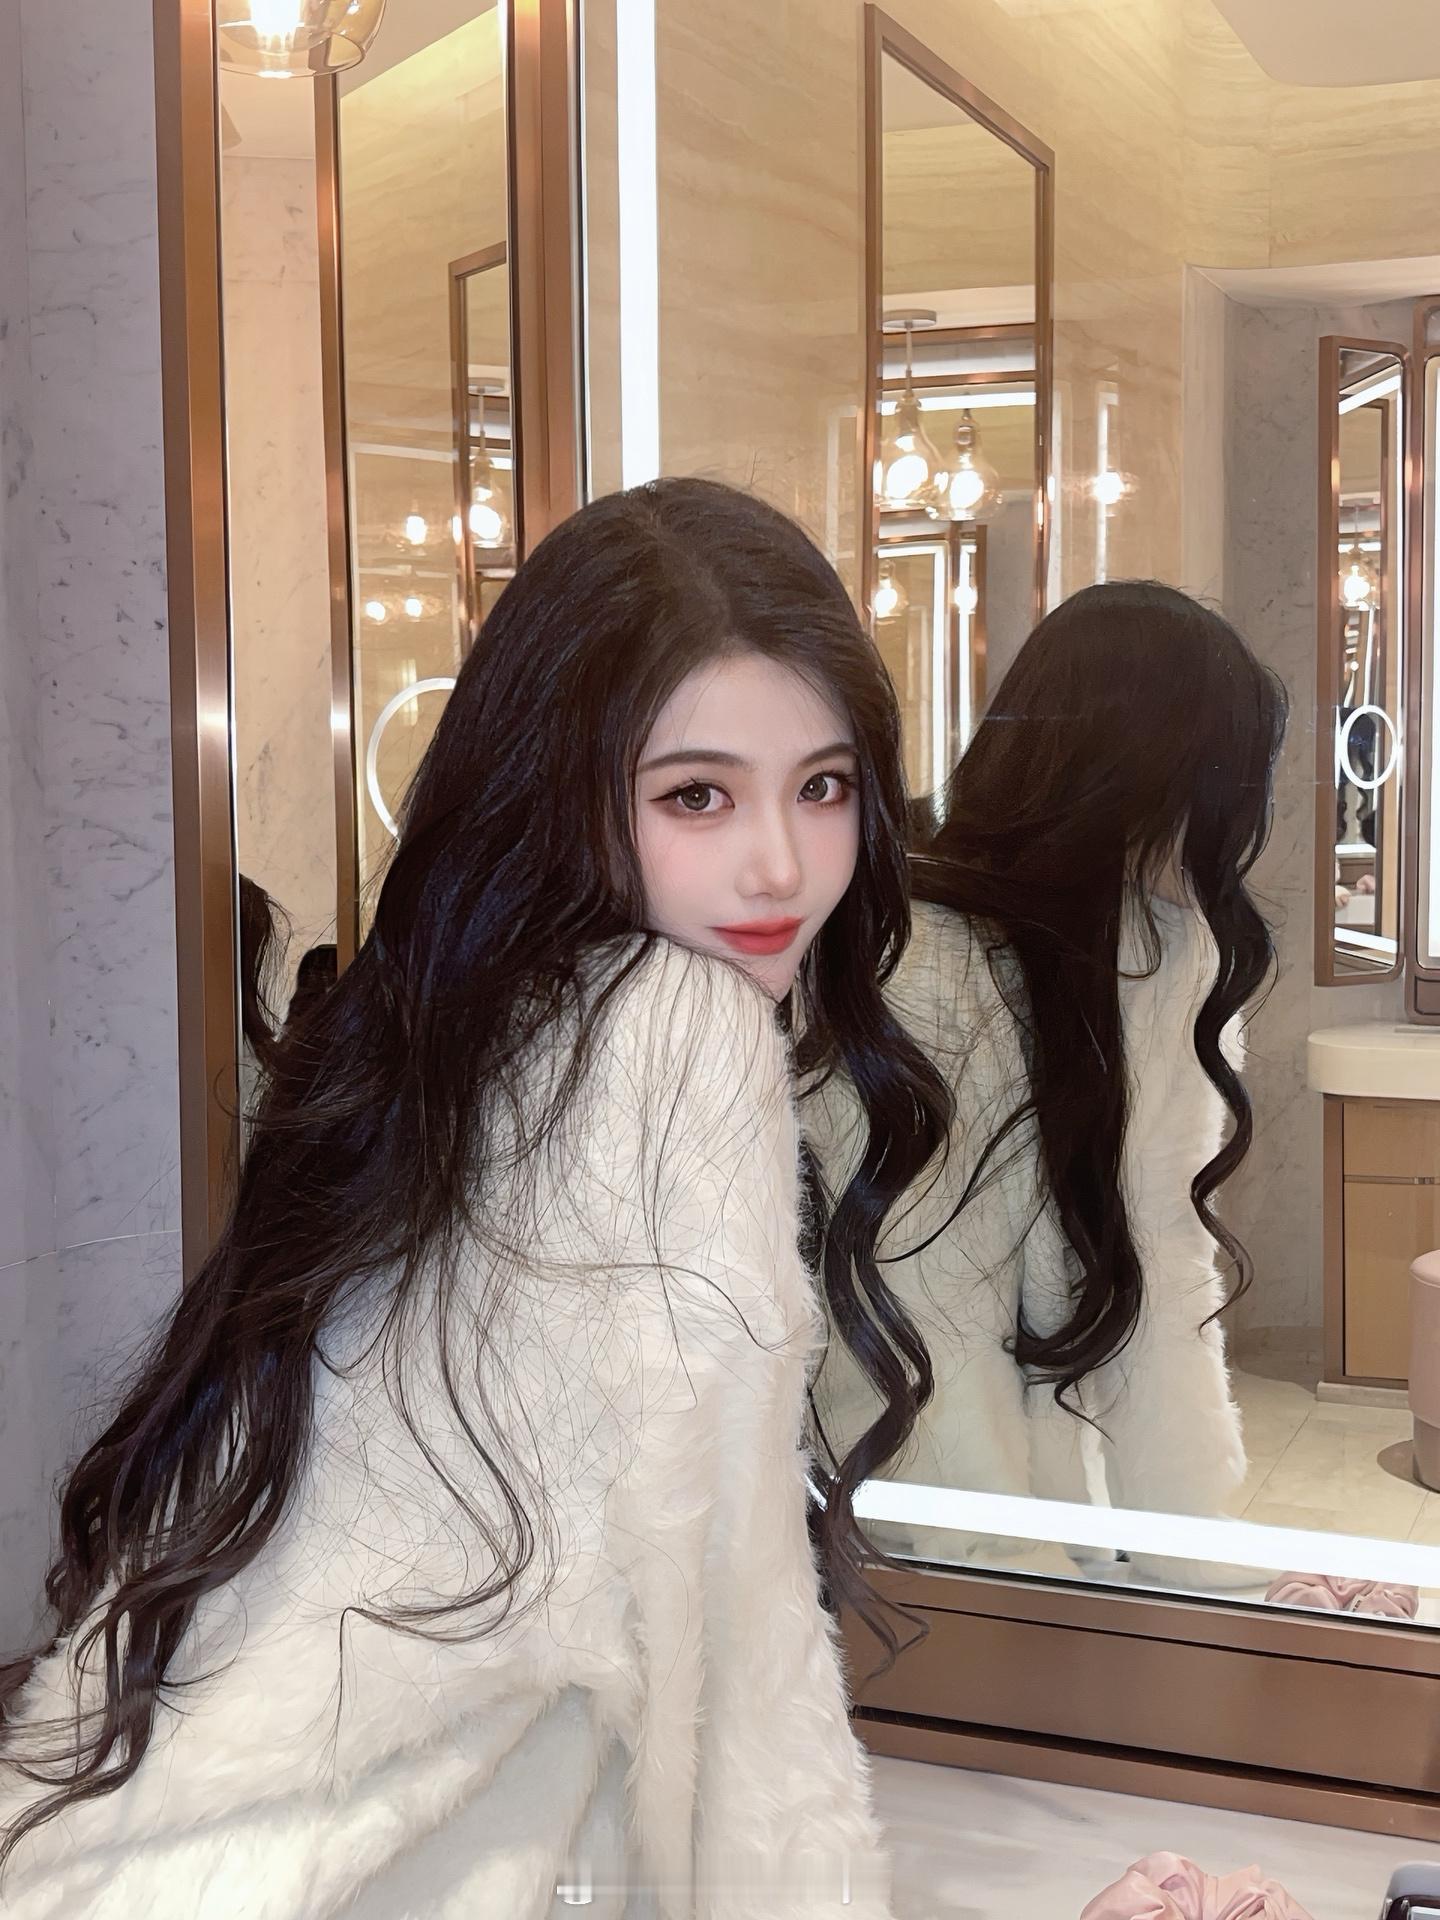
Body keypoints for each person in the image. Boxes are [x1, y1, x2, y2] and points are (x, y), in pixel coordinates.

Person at [0, 479, 950, 1919]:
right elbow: (745, 1666)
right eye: (696, 795)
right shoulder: (676, 1036)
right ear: (560, 790)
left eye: (823, 787)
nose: (780, 864)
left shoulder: (450, 1041)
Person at [809, 582, 1287, 1553]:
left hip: (1040, 1496)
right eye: (1218, 780)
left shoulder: (1165, 951)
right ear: (1132, 772)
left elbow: (1165, 1277)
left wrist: (1186, 1554)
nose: (1230, 825)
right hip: (916, 1526)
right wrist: (1020, 1583)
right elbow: (926, 1346)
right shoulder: (923, 971)